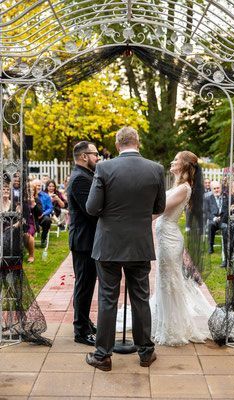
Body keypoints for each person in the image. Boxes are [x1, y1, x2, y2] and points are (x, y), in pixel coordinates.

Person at [85, 126, 166, 372]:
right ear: (137, 142)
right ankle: (146, 353)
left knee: (107, 299)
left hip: (109, 243)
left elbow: (91, 207)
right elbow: (160, 206)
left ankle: (102, 356)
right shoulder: (156, 169)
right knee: (140, 298)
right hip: (139, 243)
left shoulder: (104, 168)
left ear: (118, 144)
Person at [151, 151, 213, 346]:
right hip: (165, 238)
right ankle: (165, 321)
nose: (172, 161)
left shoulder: (183, 189)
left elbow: (159, 209)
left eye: (176, 159)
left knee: (170, 282)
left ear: (185, 165)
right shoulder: (178, 186)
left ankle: (173, 329)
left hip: (170, 240)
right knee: (165, 280)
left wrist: (137, 218)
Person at [67, 141, 100, 346]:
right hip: (84, 241)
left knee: (85, 284)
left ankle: (85, 322)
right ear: (84, 156)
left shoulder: (85, 175)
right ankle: (80, 331)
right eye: (95, 154)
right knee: (84, 286)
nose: (98, 158)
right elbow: (91, 211)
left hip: (86, 239)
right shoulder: (80, 178)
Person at [205, 180, 228, 267]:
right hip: (213, 219)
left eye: (218, 188)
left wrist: (221, 218)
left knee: (225, 227)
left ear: (221, 188)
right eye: (214, 188)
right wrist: (214, 218)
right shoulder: (208, 198)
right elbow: (206, 212)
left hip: (223, 220)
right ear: (211, 189)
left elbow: (227, 210)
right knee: (210, 225)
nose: (216, 190)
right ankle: (211, 245)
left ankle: (225, 249)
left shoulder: (226, 197)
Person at [31, 179, 53, 247]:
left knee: (47, 220)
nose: (38, 187)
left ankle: (43, 238)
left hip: (42, 215)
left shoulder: (46, 196)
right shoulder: (30, 196)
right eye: (36, 185)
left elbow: (50, 208)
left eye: (39, 185)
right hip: (32, 216)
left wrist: (43, 214)